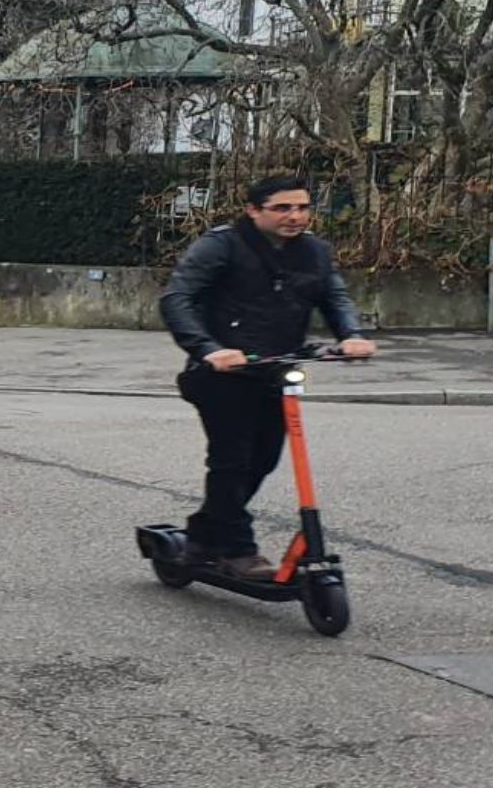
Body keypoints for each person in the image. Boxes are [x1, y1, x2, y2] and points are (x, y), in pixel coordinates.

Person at [159, 174, 377, 579]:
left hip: (273, 370)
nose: (295, 216)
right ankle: (238, 550)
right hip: (220, 374)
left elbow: (333, 295)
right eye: (283, 208)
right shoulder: (221, 245)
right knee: (232, 460)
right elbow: (178, 299)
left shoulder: (313, 251)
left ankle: (204, 534)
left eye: (302, 207)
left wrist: (351, 335)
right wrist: (209, 350)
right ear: (253, 210)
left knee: (263, 459)